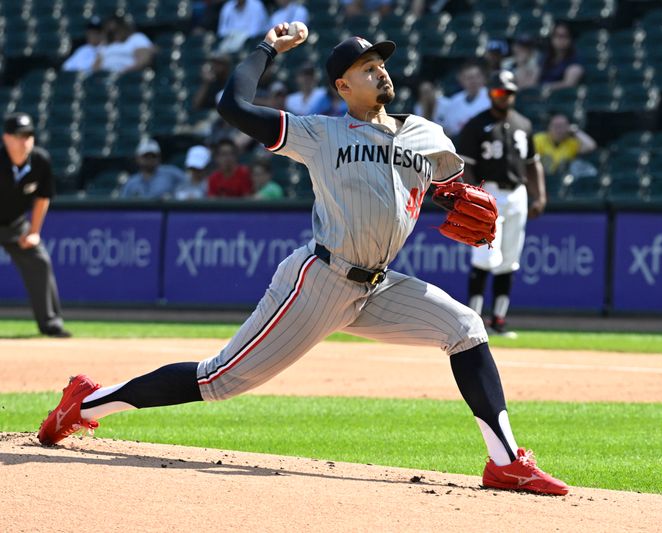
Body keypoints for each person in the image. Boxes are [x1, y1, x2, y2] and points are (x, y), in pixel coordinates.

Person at [37, 24, 569, 496]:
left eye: (381, 64)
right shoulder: (320, 133)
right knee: (219, 379)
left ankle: (505, 462)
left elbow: (454, 188)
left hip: (377, 287)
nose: (381, 72)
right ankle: (85, 404)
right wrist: (268, 48)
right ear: (342, 86)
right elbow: (233, 107)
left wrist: (464, 199)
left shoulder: (427, 135)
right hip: (320, 281)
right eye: (367, 67)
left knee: (466, 326)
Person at [458, 71, 545, 338]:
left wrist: (539, 194)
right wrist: (475, 196)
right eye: (498, 92)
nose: (503, 97)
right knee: (484, 257)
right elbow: (467, 166)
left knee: (509, 260)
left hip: (517, 193)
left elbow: (533, 163)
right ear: (489, 94)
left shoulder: (523, 124)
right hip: (489, 192)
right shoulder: (476, 124)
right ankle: (473, 321)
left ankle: (499, 320)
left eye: (507, 92)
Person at [0, 113, 71, 338]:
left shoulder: (40, 161)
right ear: (6, 138)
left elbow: (42, 197)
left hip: (15, 224)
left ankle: (51, 323)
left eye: (29, 135)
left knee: (39, 261)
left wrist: (34, 232)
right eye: (19, 135)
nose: (25, 140)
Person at [119, 138, 188, 199]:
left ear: (159, 157)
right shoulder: (131, 183)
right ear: (138, 158)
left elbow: (190, 186)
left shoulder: (172, 174)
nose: (150, 159)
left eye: (153, 156)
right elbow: (122, 207)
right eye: (146, 156)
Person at [439, 60, 491, 139]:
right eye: (469, 78)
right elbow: (447, 130)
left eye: (477, 77)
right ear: (461, 80)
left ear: (484, 78)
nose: (473, 81)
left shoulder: (492, 97)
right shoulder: (454, 101)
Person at [532, 23, 583, 93]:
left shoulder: (575, 60)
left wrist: (545, 87)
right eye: (557, 36)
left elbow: (568, 84)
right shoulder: (544, 59)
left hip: (562, 99)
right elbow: (533, 82)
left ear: (570, 39)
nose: (560, 40)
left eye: (564, 36)